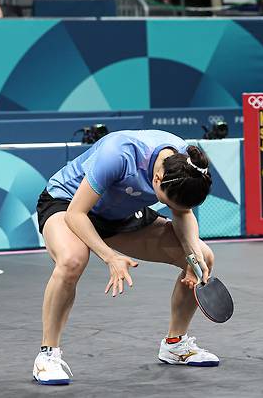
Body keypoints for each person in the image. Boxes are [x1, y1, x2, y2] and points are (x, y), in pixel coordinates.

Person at [32, 130, 219, 385]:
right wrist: (110, 256)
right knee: (72, 259)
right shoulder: (119, 154)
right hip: (67, 204)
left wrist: (192, 256)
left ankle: (175, 345)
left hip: (120, 215)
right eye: (165, 200)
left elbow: (182, 213)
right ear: (156, 178)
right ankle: (47, 355)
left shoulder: (186, 165)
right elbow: (77, 214)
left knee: (203, 258)